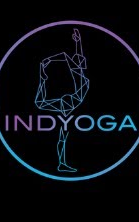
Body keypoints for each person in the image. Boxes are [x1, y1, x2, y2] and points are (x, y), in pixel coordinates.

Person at [34, 28, 89, 172]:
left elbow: (79, 65)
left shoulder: (75, 95)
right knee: (62, 138)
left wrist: (42, 79)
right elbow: (79, 66)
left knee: (63, 138)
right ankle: (61, 163)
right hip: (67, 113)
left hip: (67, 112)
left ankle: (61, 163)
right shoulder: (76, 96)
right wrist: (42, 79)